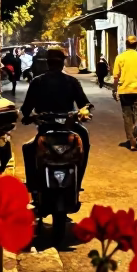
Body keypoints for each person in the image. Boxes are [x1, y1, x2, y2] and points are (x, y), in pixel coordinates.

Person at [21, 48, 91, 188]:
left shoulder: (37, 82)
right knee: (84, 141)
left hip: (46, 126)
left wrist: (30, 117)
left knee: (28, 149)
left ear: (48, 63)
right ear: (62, 63)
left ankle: (33, 185)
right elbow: (84, 104)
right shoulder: (71, 81)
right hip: (70, 125)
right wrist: (85, 111)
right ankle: (78, 182)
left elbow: (26, 109)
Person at [111, 35, 137, 151]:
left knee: (127, 115)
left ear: (126, 44)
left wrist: (115, 90)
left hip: (124, 91)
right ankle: (134, 134)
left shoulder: (120, 58)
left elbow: (116, 77)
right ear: (136, 45)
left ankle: (131, 139)